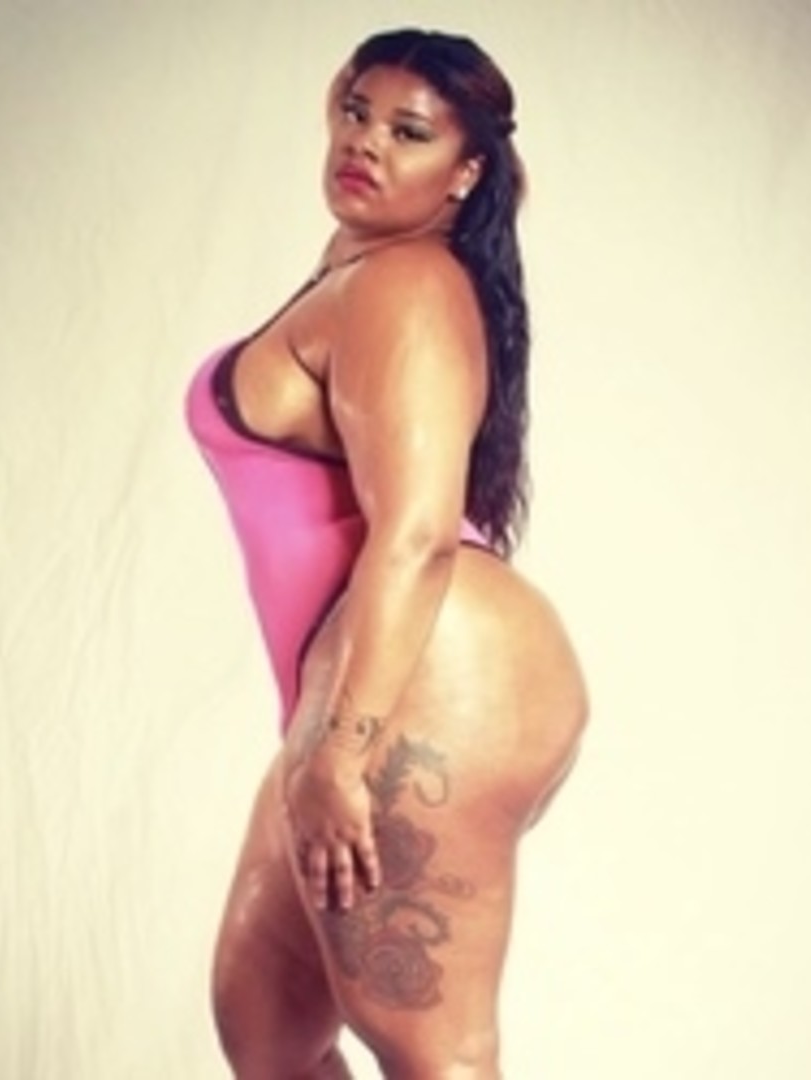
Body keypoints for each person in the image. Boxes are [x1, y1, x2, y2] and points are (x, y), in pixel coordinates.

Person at [186, 27, 588, 1079]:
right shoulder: (360, 272)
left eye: (409, 133)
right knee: (266, 1019)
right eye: (357, 111)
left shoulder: (405, 282)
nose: (366, 142)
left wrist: (341, 750)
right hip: (369, 680)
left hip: (427, 677)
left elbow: (415, 531)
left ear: (465, 172)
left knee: (428, 1047)